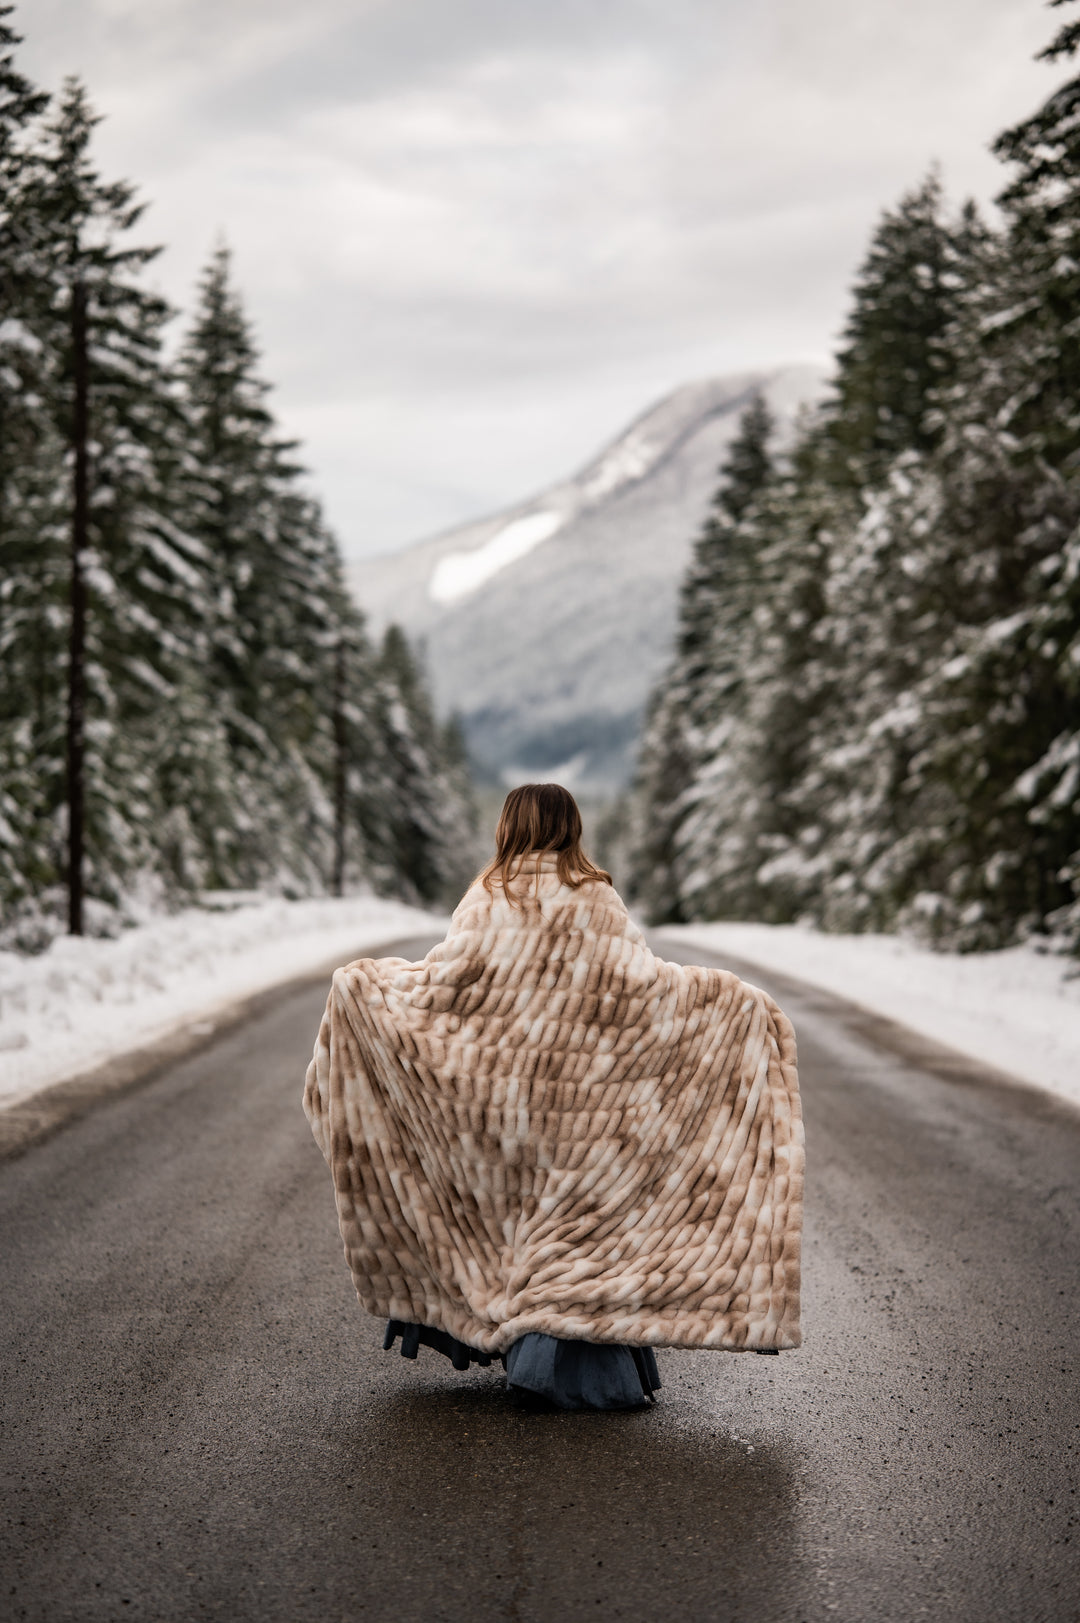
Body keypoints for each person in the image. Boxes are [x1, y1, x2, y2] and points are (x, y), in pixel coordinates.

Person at [304, 783, 803, 1412]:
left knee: (508, 1213)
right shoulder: (596, 898)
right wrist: (732, 1003)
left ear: (508, 827)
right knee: (571, 1228)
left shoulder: (488, 897)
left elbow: (441, 991)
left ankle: (515, 1328)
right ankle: (566, 1343)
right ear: (571, 828)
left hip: (503, 1106)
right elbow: (644, 990)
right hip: (581, 1113)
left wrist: (364, 990)